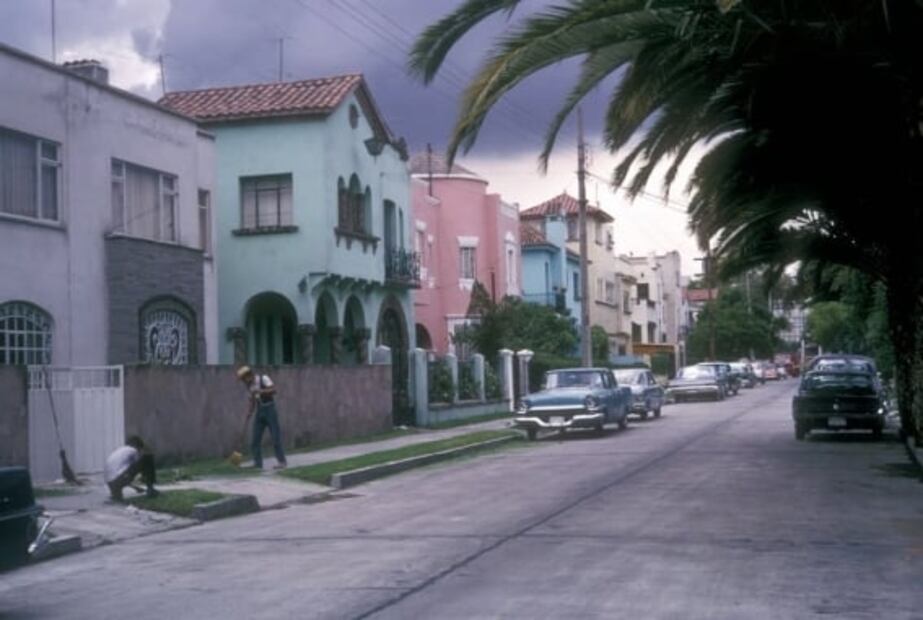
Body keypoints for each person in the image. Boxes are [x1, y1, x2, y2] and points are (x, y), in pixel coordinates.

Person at [237, 366, 287, 470]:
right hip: (260, 411)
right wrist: (250, 411)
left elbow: (274, 390)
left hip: (270, 409)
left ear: (249, 375)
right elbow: (253, 399)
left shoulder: (263, 378)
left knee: (275, 437)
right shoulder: (249, 385)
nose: (243, 381)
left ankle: (282, 461)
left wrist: (260, 391)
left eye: (243, 378)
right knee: (255, 439)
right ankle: (257, 463)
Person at [105, 436, 159, 501]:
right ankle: (151, 489)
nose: (139, 452)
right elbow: (138, 467)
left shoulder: (121, 450)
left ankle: (115, 495)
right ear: (137, 446)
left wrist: (136, 488)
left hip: (111, 484)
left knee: (118, 499)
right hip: (118, 479)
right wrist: (144, 476)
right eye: (140, 449)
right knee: (147, 458)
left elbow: (124, 473)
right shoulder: (133, 450)